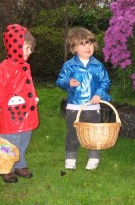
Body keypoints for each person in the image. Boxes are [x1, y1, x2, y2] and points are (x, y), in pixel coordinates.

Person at [0, 24, 39, 183]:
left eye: (31, 49)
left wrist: (33, 98)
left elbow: (29, 85)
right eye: (27, 48)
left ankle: (19, 163)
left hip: (26, 113)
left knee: (24, 139)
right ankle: (6, 167)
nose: (29, 53)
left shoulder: (26, 67)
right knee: (10, 141)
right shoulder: (3, 69)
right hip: (10, 115)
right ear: (15, 46)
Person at [56, 27, 111, 170]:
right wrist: (68, 82)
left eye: (90, 43)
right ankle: (70, 157)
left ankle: (93, 157)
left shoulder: (98, 66)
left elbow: (105, 82)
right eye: (83, 44)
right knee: (72, 134)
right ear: (74, 47)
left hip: (93, 107)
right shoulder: (69, 65)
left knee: (93, 134)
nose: (88, 47)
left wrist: (99, 93)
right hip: (74, 107)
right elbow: (59, 81)